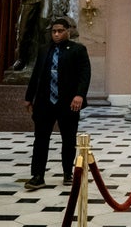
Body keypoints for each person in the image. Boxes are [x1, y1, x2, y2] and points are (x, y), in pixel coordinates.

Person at [24, 17, 91, 190]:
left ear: (68, 31)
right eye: (54, 31)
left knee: (68, 139)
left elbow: (85, 75)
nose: (56, 34)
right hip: (45, 102)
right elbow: (36, 75)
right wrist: (29, 97)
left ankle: (68, 172)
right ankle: (38, 175)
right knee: (40, 139)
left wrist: (79, 95)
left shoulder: (77, 50)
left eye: (60, 31)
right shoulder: (44, 50)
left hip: (68, 102)